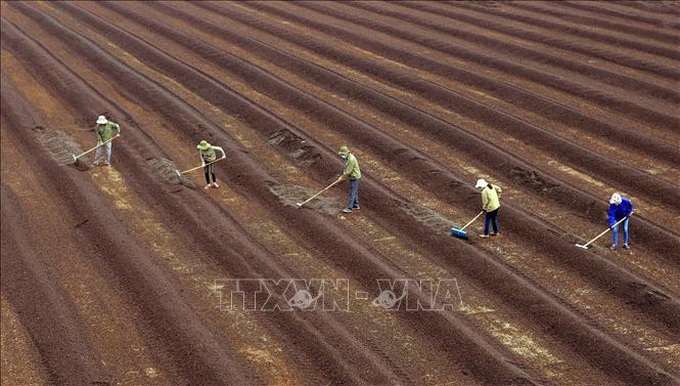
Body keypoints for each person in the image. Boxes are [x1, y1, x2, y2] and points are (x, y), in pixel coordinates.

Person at [338, 146, 361, 213]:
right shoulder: (348, 158)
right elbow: (347, 169)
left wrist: (342, 177)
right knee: (354, 191)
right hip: (352, 176)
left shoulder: (351, 160)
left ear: (348, 153)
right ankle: (356, 205)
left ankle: (349, 208)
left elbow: (348, 171)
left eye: (343, 154)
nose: (342, 156)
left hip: (355, 177)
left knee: (352, 192)